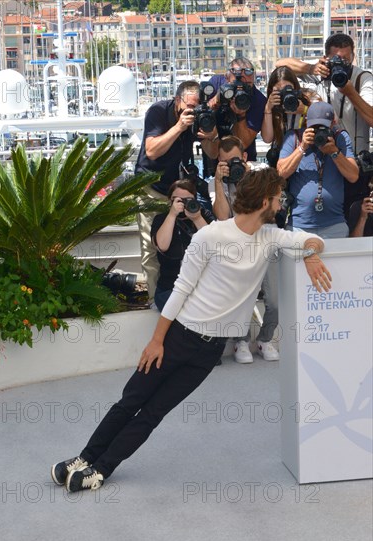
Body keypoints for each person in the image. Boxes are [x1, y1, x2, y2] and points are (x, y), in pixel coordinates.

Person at [51, 167, 332, 493]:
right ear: (265, 201)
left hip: (210, 351)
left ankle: (100, 470)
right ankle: (84, 458)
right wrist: (157, 341)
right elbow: (181, 289)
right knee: (130, 401)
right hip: (178, 337)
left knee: (153, 412)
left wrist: (311, 254)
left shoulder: (270, 238)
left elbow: (310, 239)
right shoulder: (210, 236)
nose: (281, 204)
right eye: (278, 199)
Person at [134, 80, 219, 303]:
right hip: (151, 187)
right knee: (151, 247)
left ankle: (187, 296)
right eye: (189, 107)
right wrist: (179, 127)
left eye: (197, 106)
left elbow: (212, 152)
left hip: (178, 189)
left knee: (185, 243)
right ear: (177, 100)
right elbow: (151, 151)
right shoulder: (158, 112)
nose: (193, 111)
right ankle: (155, 300)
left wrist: (211, 135)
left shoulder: (200, 116)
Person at [276, 33, 373, 217]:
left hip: (353, 164)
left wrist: (350, 92)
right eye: (336, 59)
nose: (341, 64)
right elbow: (280, 64)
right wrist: (311, 67)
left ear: (353, 57)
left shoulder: (362, 78)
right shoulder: (320, 73)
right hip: (325, 162)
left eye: (346, 59)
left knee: (353, 219)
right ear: (326, 58)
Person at [213, 136, 280, 363]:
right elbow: (222, 216)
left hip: (266, 244)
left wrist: (249, 177)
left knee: (275, 300)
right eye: (223, 161)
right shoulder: (218, 182)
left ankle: (264, 339)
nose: (230, 166)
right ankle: (240, 341)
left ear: (243, 157)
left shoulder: (261, 173)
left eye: (233, 160)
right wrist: (218, 183)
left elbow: (273, 209)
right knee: (242, 299)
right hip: (238, 248)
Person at [277, 101, 359, 238]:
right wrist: (302, 147)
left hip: (334, 224)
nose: (318, 132)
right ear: (306, 122)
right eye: (314, 127)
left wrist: (334, 153)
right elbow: (280, 173)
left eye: (323, 127)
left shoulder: (340, 138)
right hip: (299, 225)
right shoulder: (294, 137)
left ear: (333, 123)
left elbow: (353, 175)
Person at [151, 179, 213, 311]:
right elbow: (162, 246)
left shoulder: (204, 216)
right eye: (178, 200)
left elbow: (213, 246)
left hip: (201, 288)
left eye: (188, 199)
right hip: (170, 288)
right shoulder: (161, 219)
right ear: (170, 200)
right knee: (189, 308)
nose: (184, 204)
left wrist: (196, 218)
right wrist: (172, 214)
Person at [208, 57, 267, 161]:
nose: (241, 89)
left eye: (247, 85)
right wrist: (216, 100)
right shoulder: (216, 83)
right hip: (214, 154)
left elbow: (243, 144)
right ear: (226, 78)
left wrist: (241, 115)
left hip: (243, 159)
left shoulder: (258, 100)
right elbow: (200, 114)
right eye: (236, 84)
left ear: (253, 79)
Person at [261, 66, 318, 156]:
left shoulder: (308, 99)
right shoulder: (273, 107)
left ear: (295, 87)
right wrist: (268, 109)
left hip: (307, 154)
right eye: (279, 91)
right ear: (272, 91)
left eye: (288, 88)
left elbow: (329, 120)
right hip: (283, 157)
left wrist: (306, 110)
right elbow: (267, 139)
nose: (285, 93)